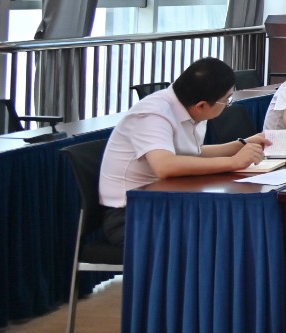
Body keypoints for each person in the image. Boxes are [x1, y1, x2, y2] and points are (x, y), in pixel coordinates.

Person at [97, 58, 269, 245]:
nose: (228, 104)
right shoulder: (154, 113)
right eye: (226, 100)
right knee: (221, 231)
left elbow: (193, 154)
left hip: (168, 203)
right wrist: (234, 162)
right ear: (202, 105)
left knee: (232, 223)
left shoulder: (188, 107)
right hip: (132, 214)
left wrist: (240, 145)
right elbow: (165, 166)